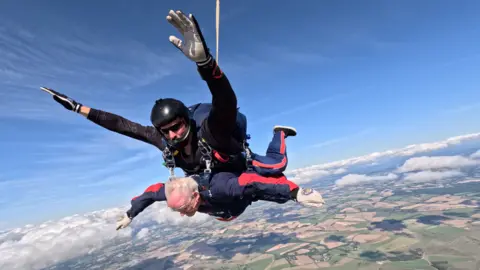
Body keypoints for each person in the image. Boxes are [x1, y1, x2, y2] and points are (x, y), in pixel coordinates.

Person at [40, 10, 295, 178]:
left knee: (276, 167)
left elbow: (226, 100)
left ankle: (279, 133)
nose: (172, 135)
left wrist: (205, 63)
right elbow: (122, 125)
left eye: (177, 127)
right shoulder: (163, 140)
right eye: (166, 130)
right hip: (213, 176)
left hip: (236, 162)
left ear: (187, 120)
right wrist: (77, 108)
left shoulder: (211, 131)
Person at [116, 172, 326, 230]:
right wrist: (130, 214)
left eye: (183, 208)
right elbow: (151, 193)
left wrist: (296, 193)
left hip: (242, 199)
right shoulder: (177, 193)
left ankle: (279, 134)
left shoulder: (221, 187)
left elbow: (254, 181)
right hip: (227, 211)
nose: (182, 213)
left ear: (196, 196)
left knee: (276, 165)